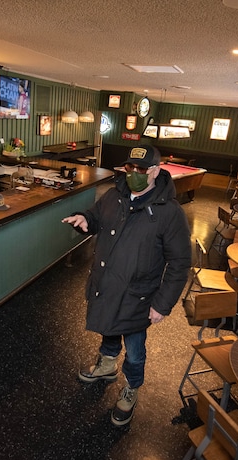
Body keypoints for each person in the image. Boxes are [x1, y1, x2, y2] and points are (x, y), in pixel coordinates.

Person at [61, 144, 191, 426]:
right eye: (130, 167)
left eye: (141, 169)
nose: (134, 173)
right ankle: (107, 365)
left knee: (134, 350)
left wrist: (162, 304)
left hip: (138, 296)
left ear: (155, 171)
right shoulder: (113, 195)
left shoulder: (170, 213)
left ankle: (132, 387)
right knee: (108, 327)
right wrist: (84, 219)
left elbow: (180, 264)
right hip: (107, 283)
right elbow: (96, 218)